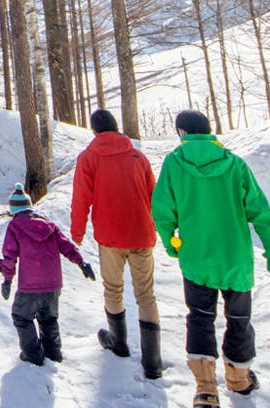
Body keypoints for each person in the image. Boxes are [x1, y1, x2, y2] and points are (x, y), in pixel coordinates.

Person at [152, 110, 270, 408]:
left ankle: (205, 390)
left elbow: (162, 210)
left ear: (182, 132)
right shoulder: (235, 164)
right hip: (235, 259)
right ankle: (239, 378)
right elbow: (261, 213)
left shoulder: (175, 163)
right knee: (239, 320)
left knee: (200, 319)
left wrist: (173, 243)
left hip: (196, 258)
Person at [70, 108, 162, 379]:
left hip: (111, 237)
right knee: (146, 294)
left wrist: (77, 234)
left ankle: (119, 342)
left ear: (95, 131)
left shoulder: (89, 158)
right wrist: (159, 227)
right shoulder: (137, 156)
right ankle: (152, 361)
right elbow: (154, 195)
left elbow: (81, 197)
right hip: (141, 233)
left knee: (113, 288)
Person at [0, 183, 95, 366]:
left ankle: (32, 354)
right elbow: (67, 246)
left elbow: (9, 255)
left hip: (30, 285)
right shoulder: (50, 225)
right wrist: (81, 263)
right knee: (49, 319)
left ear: (13, 209)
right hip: (52, 284)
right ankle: (53, 353)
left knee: (21, 316)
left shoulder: (15, 227)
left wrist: (7, 280)